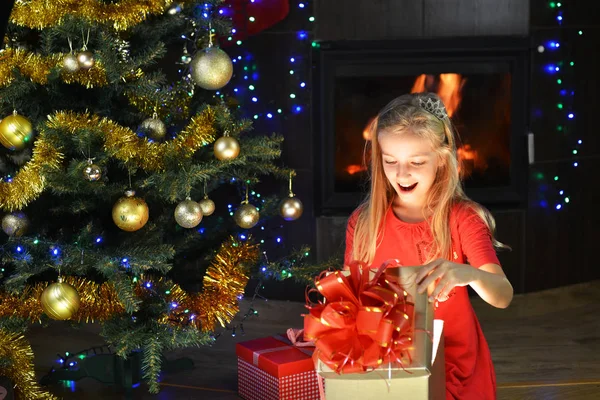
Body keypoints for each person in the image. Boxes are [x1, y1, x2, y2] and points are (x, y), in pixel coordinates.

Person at [344, 92, 514, 400]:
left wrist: (470, 274)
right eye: (390, 161)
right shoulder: (363, 222)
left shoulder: (463, 218)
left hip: (455, 366)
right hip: (391, 366)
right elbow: (350, 300)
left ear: (442, 160)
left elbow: (503, 295)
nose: (401, 173)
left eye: (417, 162)